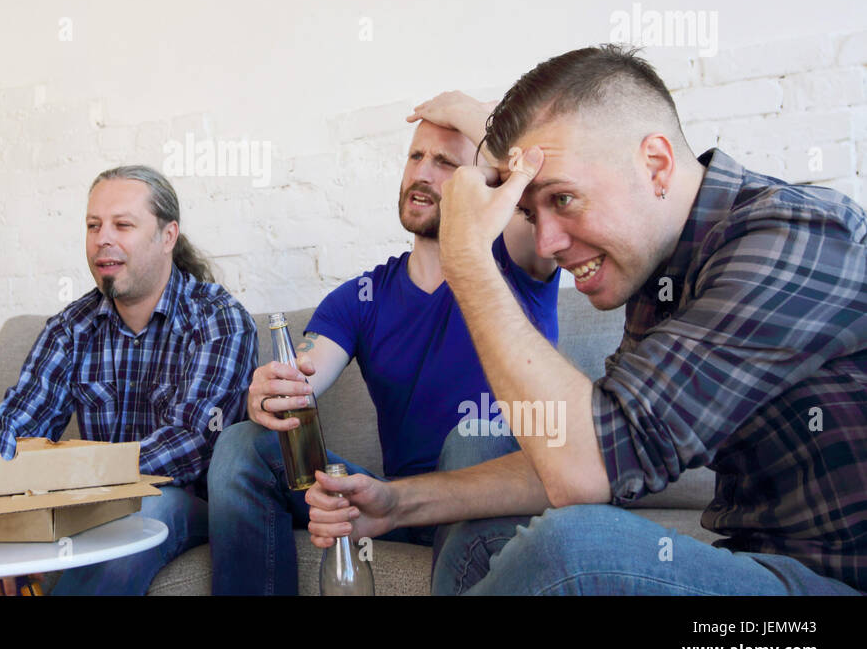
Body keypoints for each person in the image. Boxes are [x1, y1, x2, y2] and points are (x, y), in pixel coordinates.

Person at [306, 45, 866, 595]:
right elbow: (596, 456)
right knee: (485, 464)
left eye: (565, 200)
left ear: (655, 165)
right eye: (531, 213)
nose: (547, 242)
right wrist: (397, 502)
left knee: (577, 549)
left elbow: (586, 468)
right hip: (753, 578)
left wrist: (468, 257)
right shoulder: (660, 280)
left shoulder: (797, 236)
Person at [208, 98, 559, 595]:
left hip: (494, 498)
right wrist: (276, 390)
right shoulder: (362, 296)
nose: (422, 173)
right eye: (416, 157)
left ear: (486, 183)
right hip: (394, 502)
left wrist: (463, 108)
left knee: (474, 436)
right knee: (241, 443)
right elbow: (308, 371)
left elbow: (538, 163)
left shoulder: (516, 258)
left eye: (446, 164)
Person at [0, 165, 258, 596]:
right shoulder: (71, 328)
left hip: (183, 504)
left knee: (148, 511)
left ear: (167, 236)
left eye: (122, 224)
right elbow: (11, 430)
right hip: (84, 502)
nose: (103, 237)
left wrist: (82, 478)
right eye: (93, 225)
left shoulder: (218, 319)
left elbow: (193, 442)